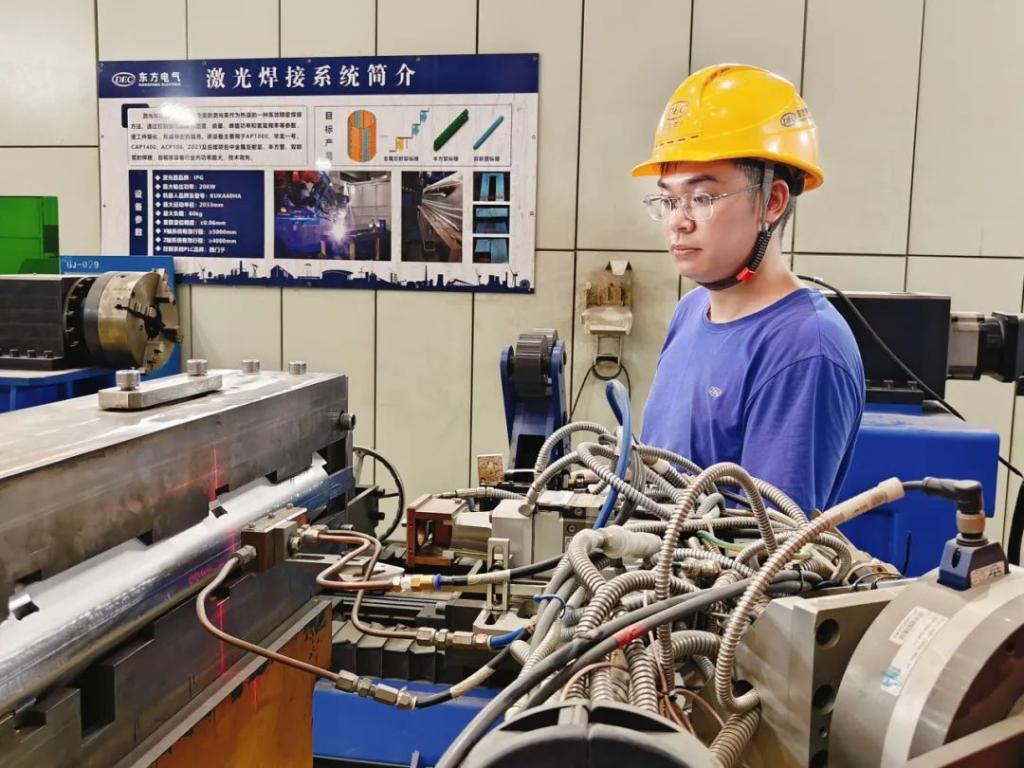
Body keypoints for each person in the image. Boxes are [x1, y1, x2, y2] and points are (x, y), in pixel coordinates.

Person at [633, 63, 865, 513]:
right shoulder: (691, 311)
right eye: (668, 200)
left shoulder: (805, 347)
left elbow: (765, 540)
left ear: (772, 202)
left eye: (701, 198)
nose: (678, 221)